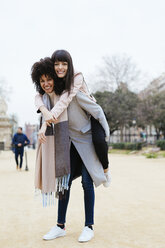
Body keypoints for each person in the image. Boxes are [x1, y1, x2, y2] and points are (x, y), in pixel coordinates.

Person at [31, 54, 110, 243]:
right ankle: (60, 226)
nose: (47, 82)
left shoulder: (72, 93)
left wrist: (105, 134)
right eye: (43, 80)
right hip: (69, 143)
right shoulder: (49, 98)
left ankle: (88, 226)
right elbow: (41, 104)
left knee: (86, 182)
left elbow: (97, 111)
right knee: (64, 183)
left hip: (87, 139)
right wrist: (43, 123)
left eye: (49, 78)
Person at [35, 50, 110, 186]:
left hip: (89, 114)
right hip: (74, 129)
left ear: (69, 65)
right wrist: (44, 110)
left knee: (100, 141)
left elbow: (65, 100)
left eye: (64, 64)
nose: (60, 67)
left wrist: (47, 120)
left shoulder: (76, 76)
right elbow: (39, 96)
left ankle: (106, 169)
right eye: (57, 64)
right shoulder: (57, 80)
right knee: (78, 180)